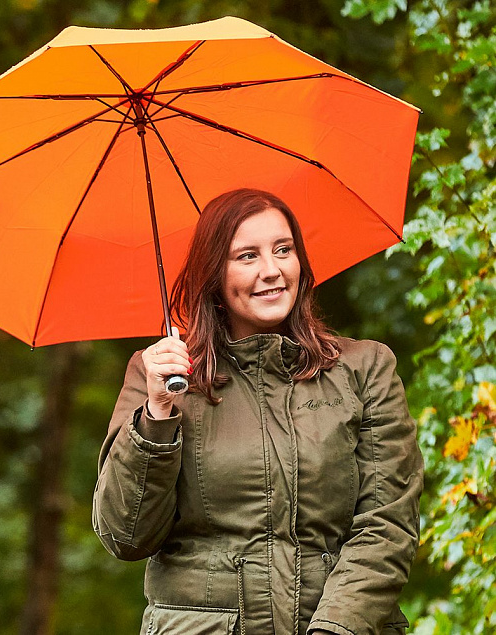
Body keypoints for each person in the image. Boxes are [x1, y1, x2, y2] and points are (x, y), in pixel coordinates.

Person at [92, 189, 423, 635]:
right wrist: (157, 412)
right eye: (247, 256)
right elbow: (126, 536)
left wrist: (335, 629)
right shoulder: (158, 378)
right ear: (214, 275)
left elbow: (387, 525)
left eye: (283, 250)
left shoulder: (364, 370)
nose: (272, 271)